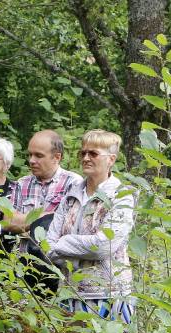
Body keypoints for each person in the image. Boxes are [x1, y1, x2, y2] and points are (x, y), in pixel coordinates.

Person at [46, 130, 136, 323]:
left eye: (93, 153)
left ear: (111, 159)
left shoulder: (121, 196)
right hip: (69, 293)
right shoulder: (72, 194)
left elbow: (104, 246)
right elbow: (47, 246)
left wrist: (64, 242)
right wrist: (70, 247)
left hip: (109, 295)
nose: (86, 158)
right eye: (83, 153)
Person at [7, 130, 83, 290]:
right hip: (24, 270)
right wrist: (47, 217)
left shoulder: (74, 183)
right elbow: (9, 222)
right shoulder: (21, 184)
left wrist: (26, 222)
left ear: (57, 157)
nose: (32, 161)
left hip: (59, 272)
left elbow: (70, 228)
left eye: (38, 156)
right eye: (30, 155)